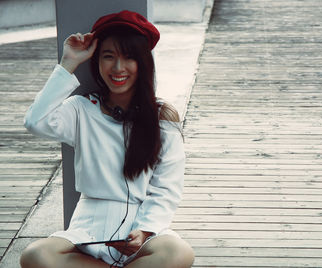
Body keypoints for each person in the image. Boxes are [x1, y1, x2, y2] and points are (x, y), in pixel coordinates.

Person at [20, 10, 194, 268]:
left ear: (143, 63)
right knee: (35, 256)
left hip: (140, 232)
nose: (118, 68)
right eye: (108, 56)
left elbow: (166, 187)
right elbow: (35, 122)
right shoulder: (81, 108)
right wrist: (69, 61)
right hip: (87, 231)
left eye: (129, 58)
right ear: (97, 61)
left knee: (179, 253)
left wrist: (145, 230)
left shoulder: (162, 117)